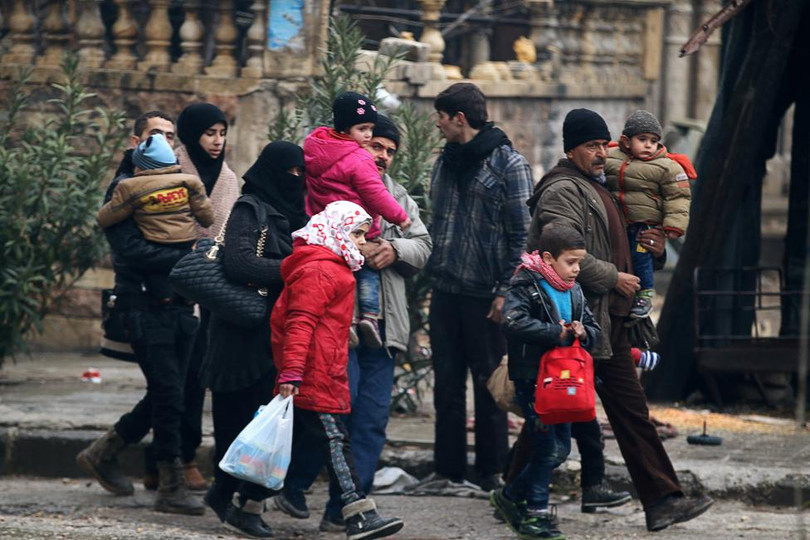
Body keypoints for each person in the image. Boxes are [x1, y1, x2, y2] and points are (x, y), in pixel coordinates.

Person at [526, 108, 713, 532]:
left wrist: (654, 245)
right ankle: (662, 498)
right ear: (571, 148)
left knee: (568, 405)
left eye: (602, 145)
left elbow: (626, 236)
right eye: (591, 146)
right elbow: (558, 253)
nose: (599, 153)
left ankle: (515, 485)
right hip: (584, 319)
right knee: (581, 407)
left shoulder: (602, 184)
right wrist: (615, 277)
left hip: (608, 318)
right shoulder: (561, 191)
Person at [274, 116, 433, 532]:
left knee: (371, 420)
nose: (382, 156)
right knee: (329, 414)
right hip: (337, 333)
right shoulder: (327, 191)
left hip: (385, 331)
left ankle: (343, 511)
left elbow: (424, 243)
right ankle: (292, 486)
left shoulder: (396, 197)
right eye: (376, 146)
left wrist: (394, 250)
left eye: (389, 151)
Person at [76, 111, 205, 516]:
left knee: (172, 392)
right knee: (168, 392)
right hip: (144, 304)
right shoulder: (124, 191)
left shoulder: (180, 189)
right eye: (156, 134)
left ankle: (105, 451)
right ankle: (171, 486)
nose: (165, 142)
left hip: (181, 303)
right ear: (136, 143)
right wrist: (187, 257)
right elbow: (132, 251)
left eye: (171, 136)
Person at [419, 82, 534, 493]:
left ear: (460, 118)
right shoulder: (444, 163)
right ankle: (446, 469)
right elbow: (433, 224)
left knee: (490, 386)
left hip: (488, 296)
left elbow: (523, 237)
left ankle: (491, 470)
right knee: (446, 384)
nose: (437, 124)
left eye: (441, 116)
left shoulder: (509, 164)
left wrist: (507, 291)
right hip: (447, 291)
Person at [271, 201, 404, 540]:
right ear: (335, 230)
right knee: (334, 441)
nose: (362, 241)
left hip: (324, 369)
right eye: (356, 233)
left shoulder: (334, 266)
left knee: (318, 440)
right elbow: (300, 323)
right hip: (312, 371)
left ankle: (242, 501)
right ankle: (358, 514)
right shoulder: (321, 269)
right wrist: (292, 372)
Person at [201, 141, 307, 538]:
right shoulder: (251, 208)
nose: (297, 180)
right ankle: (230, 494)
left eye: (302, 173)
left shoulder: (299, 214)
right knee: (239, 421)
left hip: (276, 335)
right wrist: (297, 267)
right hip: (239, 335)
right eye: (291, 172)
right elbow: (240, 261)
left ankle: (241, 499)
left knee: (270, 424)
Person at [146, 102, 239, 492]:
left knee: (195, 376)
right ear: (192, 134)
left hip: (211, 291)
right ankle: (175, 459)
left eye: (222, 133)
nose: (216, 142)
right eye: (209, 133)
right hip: (168, 286)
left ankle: (173, 458)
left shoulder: (231, 180)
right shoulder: (168, 169)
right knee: (173, 381)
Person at [492, 224, 600, 540]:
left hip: (565, 382)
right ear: (549, 258)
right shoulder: (526, 283)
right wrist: (556, 333)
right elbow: (513, 322)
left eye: (580, 262)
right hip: (533, 379)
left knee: (561, 448)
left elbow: (594, 329)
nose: (577, 269)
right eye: (571, 262)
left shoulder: (575, 290)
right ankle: (535, 515)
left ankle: (510, 497)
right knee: (545, 447)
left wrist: (583, 332)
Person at [303, 92, 411, 349]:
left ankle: (349, 321)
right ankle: (369, 316)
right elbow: (376, 193)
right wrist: (400, 217)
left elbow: (423, 244)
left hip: (324, 227)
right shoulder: (358, 158)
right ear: (345, 128)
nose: (366, 137)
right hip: (358, 227)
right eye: (364, 130)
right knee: (365, 271)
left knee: (340, 274)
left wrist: (397, 249)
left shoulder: (315, 146)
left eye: (370, 130)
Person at [604, 110, 691, 318]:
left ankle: (644, 295)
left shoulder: (666, 166)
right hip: (617, 223)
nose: (648, 145)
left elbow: (678, 197)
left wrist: (673, 226)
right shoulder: (611, 157)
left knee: (641, 257)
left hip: (645, 224)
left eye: (653, 141)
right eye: (642, 139)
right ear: (626, 141)